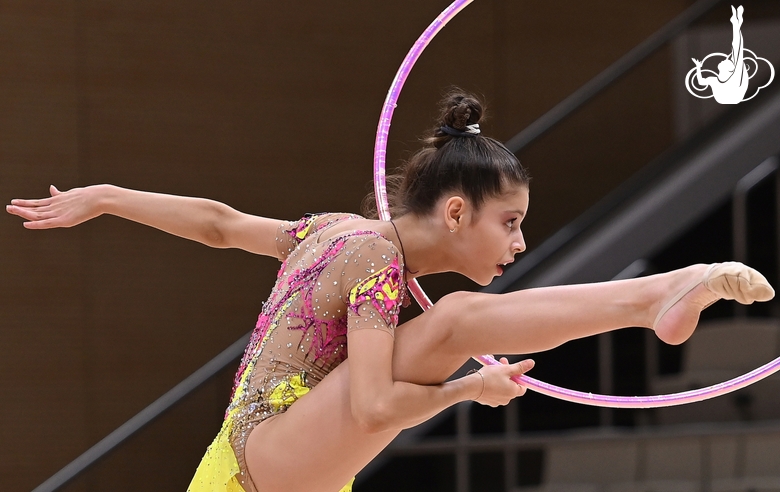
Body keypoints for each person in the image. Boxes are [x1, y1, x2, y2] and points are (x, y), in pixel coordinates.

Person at [6, 90, 774, 492]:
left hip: (271, 456)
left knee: (457, 326)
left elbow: (218, 223)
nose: (518, 243)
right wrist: (465, 397)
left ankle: (660, 297)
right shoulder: (372, 261)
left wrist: (107, 194)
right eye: (509, 224)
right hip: (259, 463)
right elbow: (374, 407)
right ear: (454, 211)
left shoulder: (335, 230)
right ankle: (655, 298)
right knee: (461, 324)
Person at [692, 5, 749, 104]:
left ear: (729, 69)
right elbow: (701, 82)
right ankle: (736, 23)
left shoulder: (734, 78)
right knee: (736, 50)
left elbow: (737, 49)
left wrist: (736, 26)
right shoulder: (715, 80)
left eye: (728, 61)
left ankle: (736, 23)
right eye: (728, 60)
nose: (725, 59)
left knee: (736, 50)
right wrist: (698, 67)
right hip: (728, 98)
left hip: (733, 97)